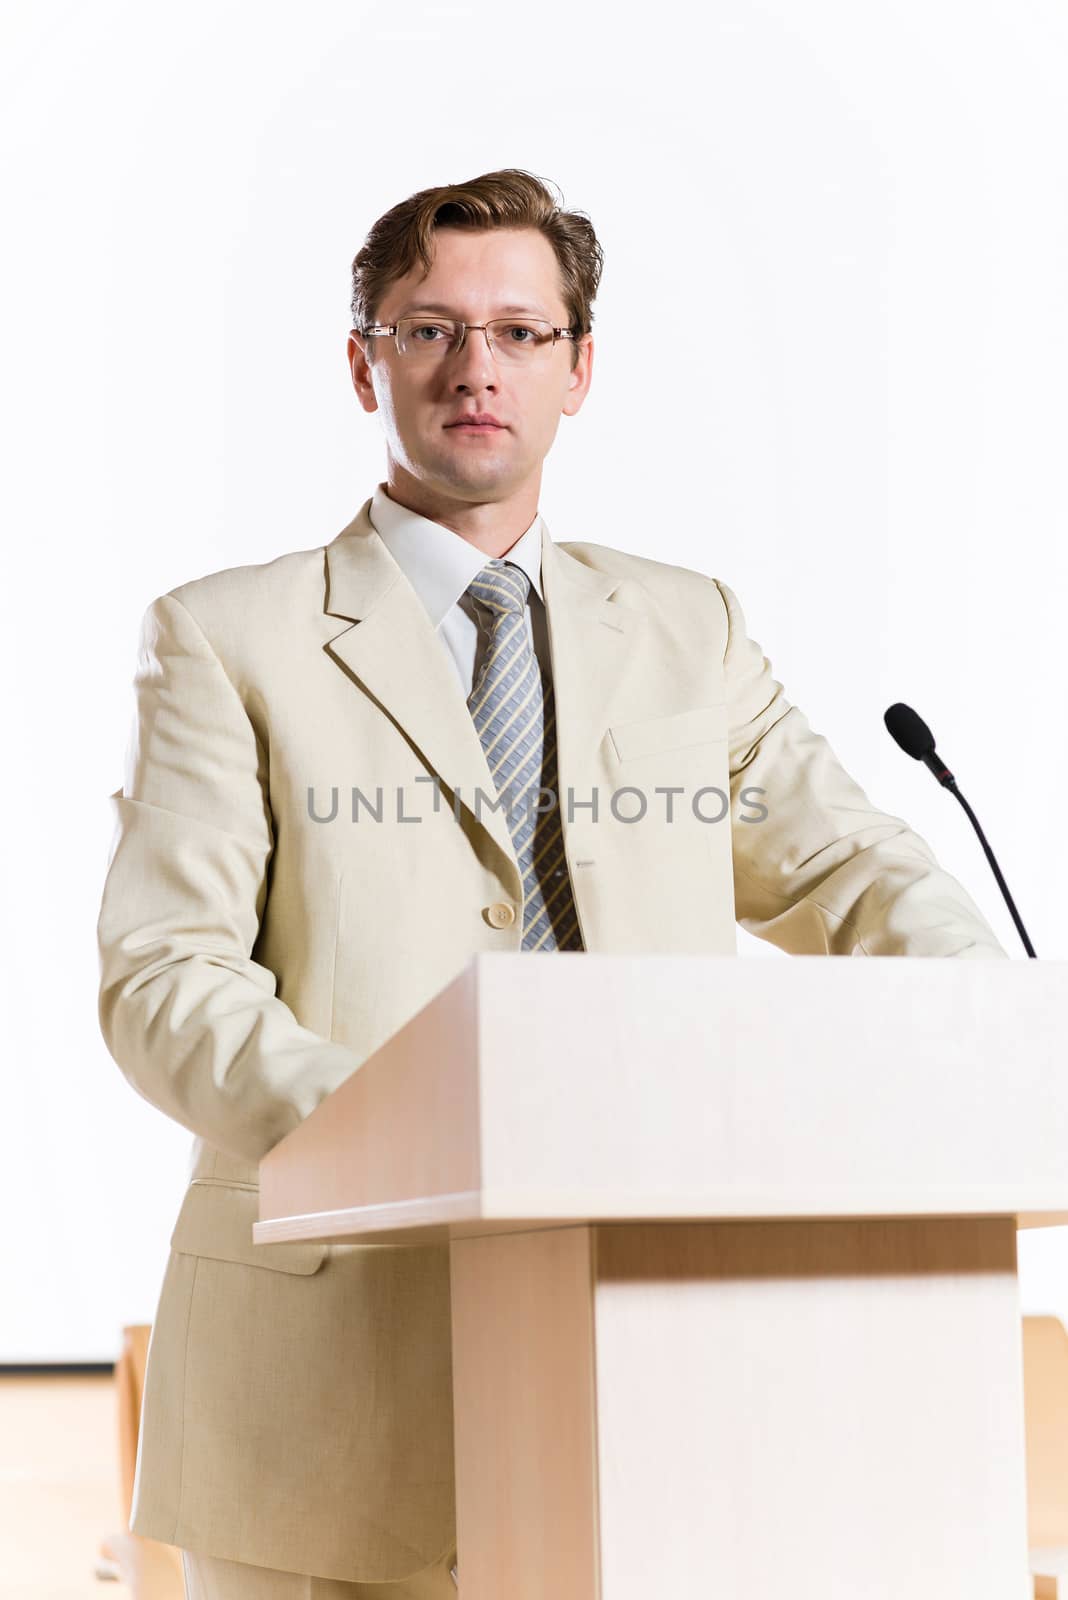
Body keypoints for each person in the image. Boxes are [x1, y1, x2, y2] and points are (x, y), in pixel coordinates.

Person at [96, 166, 1007, 1600]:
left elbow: (843, 861)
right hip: (330, 1395)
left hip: (666, 1379)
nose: (478, 368)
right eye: (430, 329)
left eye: (523, 333)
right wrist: (404, 1133)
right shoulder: (227, 636)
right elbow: (165, 976)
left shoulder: (684, 625)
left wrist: (985, 1028)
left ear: (580, 369)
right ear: (364, 361)